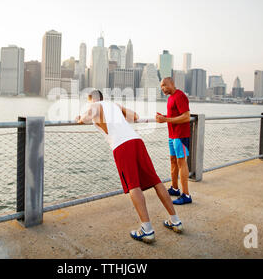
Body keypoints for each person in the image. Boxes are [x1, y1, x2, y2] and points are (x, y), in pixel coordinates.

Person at [75, 90, 183, 243]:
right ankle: (175, 220)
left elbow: (84, 120)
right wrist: (119, 108)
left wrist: (79, 118)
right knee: (156, 181)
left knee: (133, 185)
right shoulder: (113, 105)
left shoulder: (94, 105)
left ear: (91, 99)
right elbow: (136, 117)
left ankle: (147, 230)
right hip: (136, 141)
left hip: (121, 146)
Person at [156, 77, 193, 205]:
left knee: (181, 163)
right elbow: (174, 116)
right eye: (161, 87)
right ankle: (175, 188)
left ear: (172, 84)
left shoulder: (180, 96)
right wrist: (164, 117)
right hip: (172, 135)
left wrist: (166, 120)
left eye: (164, 85)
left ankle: (186, 195)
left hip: (181, 136)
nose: (163, 89)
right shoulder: (170, 98)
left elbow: (186, 117)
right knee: (173, 161)